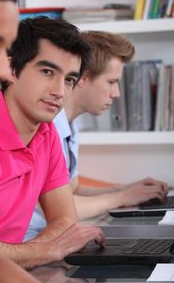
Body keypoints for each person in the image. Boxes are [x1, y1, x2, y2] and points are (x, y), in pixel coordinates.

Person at [0, 8, 164, 283]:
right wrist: (45, 250)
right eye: (48, 71)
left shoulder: (45, 133)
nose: (60, 90)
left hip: (6, 281)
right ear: (13, 69)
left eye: (70, 79)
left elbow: (64, 219)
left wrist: (37, 254)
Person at [24, 30, 169, 241]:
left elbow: (72, 189)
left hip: (52, 235)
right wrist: (120, 197)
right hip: (35, 240)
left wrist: (126, 189)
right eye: (111, 82)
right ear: (83, 78)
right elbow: (56, 208)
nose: (116, 93)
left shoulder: (71, 124)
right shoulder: (48, 126)